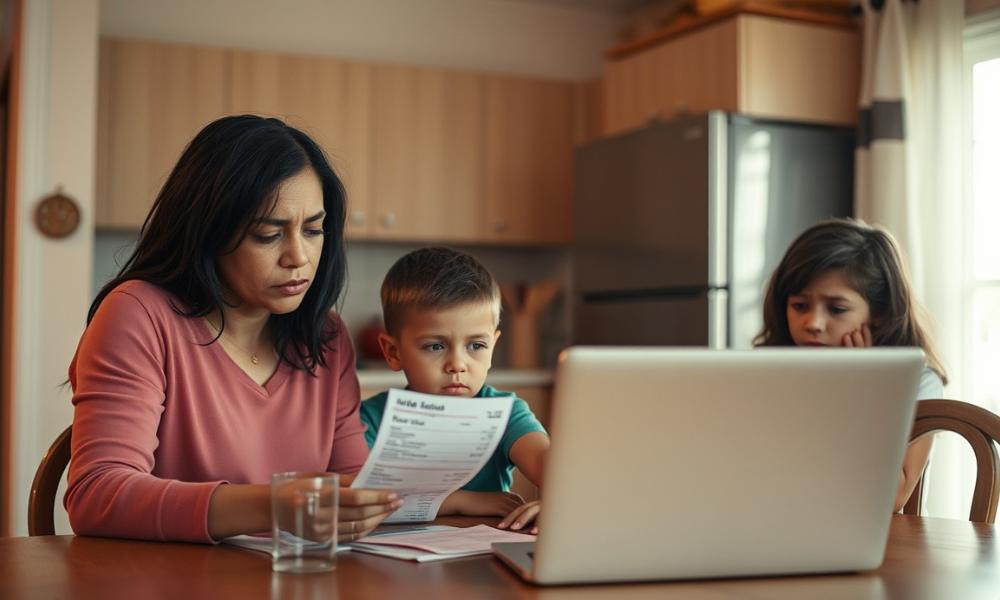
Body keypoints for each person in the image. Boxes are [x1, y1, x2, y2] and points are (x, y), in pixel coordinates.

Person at [66, 115, 401, 543]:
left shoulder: (326, 336)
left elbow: (353, 483)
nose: (298, 256)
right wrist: (274, 506)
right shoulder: (138, 314)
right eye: (267, 234)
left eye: (314, 230)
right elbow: (98, 495)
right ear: (208, 231)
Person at [755, 218, 948, 512]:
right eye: (799, 306)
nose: (814, 324)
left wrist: (859, 391)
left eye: (837, 309)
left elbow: (893, 497)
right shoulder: (763, 372)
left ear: (879, 314)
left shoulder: (919, 382)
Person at [360, 247, 549, 532]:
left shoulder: (507, 413)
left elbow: (551, 469)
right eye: (435, 346)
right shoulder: (372, 418)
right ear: (393, 352)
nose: (457, 364)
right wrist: (461, 501)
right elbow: (360, 500)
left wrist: (560, 501)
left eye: (476, 346)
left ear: (493, 346)